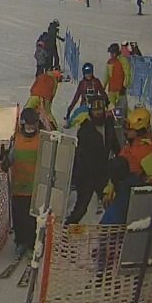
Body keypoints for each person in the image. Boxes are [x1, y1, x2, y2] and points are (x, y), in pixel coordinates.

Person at [65, 93, 120, 225]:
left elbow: (114, 145)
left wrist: (121, 157)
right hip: (87, 175)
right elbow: (80, 156)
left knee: (111, 203)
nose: (98, 113)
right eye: (95, 110)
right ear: (90, 111)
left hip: (103, 173)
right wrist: (77, 175)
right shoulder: (85, 129)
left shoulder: (108, 125)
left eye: (100, 110)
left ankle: (110, 232)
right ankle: (66, 231)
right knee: (81, 208)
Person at [3, 108, 43, 254]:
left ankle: (33, 243)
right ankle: (21, 241)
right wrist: (6, 162)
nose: (31, 129)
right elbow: (11, 157)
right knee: (19, 216)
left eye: (34, 126)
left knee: (33, 218)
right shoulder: (17, 139)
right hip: (19, 186)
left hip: (35, 187)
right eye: (28, 126)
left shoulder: (41, 139)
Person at [104, 43, 126, 109]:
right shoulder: (109, 62)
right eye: (110, 53)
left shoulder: (122, 61)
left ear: (117, 53)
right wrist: (103, 87)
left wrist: (124, 86)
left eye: (113, 52)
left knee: (122, 109)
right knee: (110, 108)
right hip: (111, 90)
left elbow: (127, 75)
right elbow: (106, 76)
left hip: (120, 90)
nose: (111, 54)